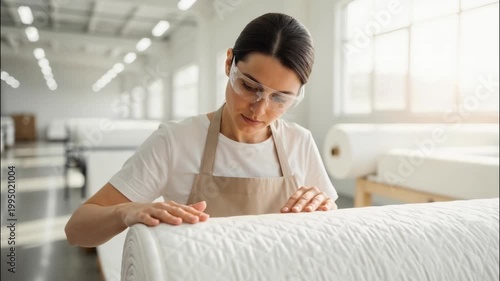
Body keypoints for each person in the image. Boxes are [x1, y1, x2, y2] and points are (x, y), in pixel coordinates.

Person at [65, 12, 338, 248]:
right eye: (249, 86)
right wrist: (127, 211)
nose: (259, 109)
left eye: (280, 98)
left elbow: (333, 230)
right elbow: (77, 229)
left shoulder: (299, 143)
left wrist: (325, 210)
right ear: (229, 63)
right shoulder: (175, 141)